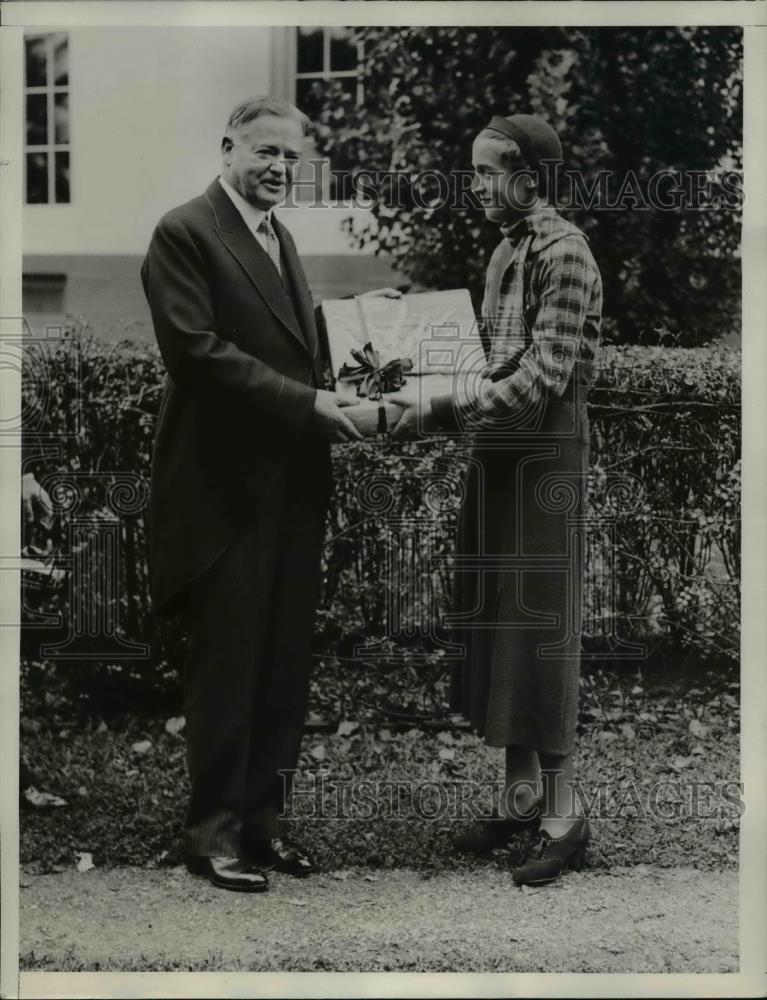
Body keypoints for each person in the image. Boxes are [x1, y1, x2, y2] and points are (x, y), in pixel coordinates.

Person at [141, 96, 397, 893]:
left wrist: (355, 324)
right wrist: (307, 404)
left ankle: (264, 826)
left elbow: (279, 338)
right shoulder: (183, 232)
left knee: (282, 665)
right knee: (226, 667)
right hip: (222, 493)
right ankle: (210, 834)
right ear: (227, 147)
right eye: (266, 152)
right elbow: (199, 354)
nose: (280, 168)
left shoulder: (276, 235)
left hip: (291, 486)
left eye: (291, 158)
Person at [387, 114, 602, 886]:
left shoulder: (563, 250)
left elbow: (543, 375)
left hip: (544, 453)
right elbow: (485, 358)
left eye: (487, 174)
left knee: (540, 627)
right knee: (501, 620)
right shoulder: (504, 248)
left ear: (530, 179)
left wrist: (438, 412)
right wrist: (399, 334)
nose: (475, 187)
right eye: (473, 172)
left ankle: (562, 815)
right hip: (499, 451)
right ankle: (517, 800)